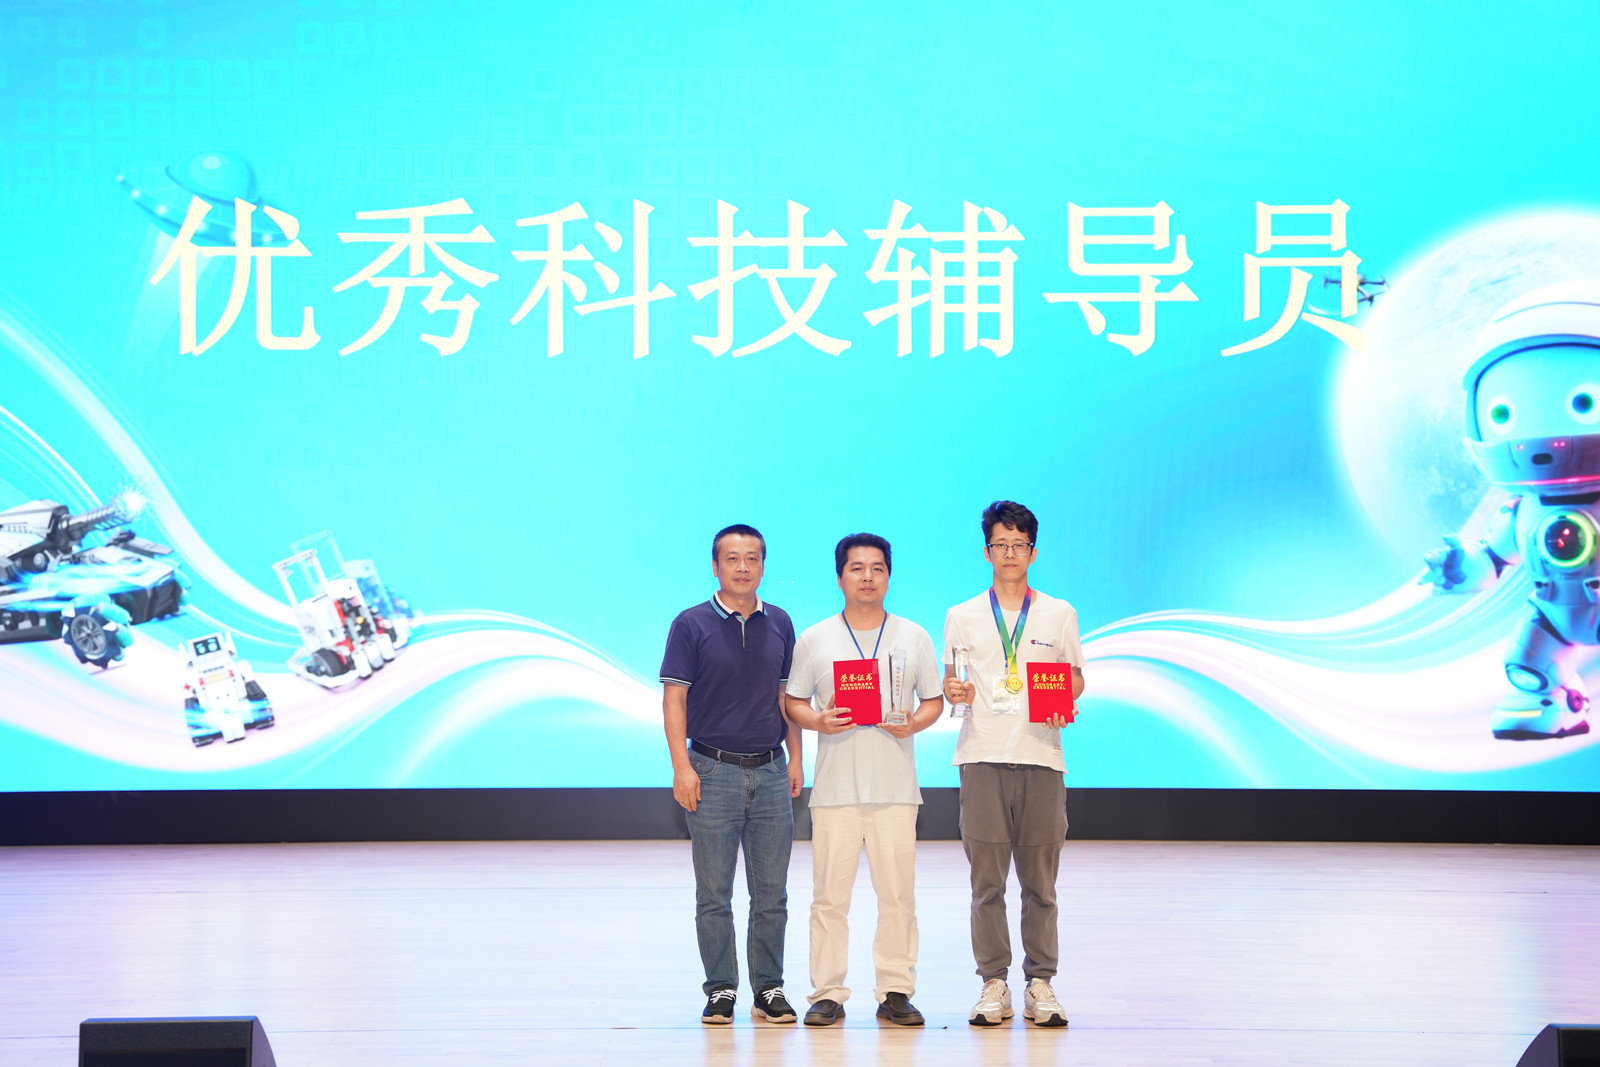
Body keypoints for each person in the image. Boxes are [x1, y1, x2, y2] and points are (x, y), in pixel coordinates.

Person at [784, 534, 944, 1028]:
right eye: (857, 568)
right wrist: (818, 720)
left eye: (877, 568)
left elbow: (933, 701)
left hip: (895, 790)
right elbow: (793, 702)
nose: (868, 576)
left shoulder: (913, 636)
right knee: (829, 899)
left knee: (898, 897)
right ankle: (827, 993)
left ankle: (896, 990)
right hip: (835, 791)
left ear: (888, 576)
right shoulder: (815, 638)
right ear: (840, 577)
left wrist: (913, 724)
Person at [941, 500, 1084, 1028]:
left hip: (1041, 757)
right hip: (982, 757)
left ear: (1033, 552)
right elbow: (952, 681)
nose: (1009, 553)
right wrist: (952, 689)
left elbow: (1075, 677)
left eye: (1018, 544)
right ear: (987, 552)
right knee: (987, 885)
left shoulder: (1059, 613)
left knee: (1041, 885)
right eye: (1000, 544)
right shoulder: (961, 615)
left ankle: (1040, 983)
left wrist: (1064, 698)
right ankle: (993, 983)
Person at [660, 524, 804, 1025]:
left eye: (752, 558)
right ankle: (721, 988)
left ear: (763, 565)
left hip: (770, 771)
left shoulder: (780, 622)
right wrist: (681, 766)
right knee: (714, 895)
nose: (743, 567)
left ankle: (769, 988)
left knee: (772, 895)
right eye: (732, 558)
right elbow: (674, 700)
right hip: (711, 770)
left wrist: (796, 758)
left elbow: (786, 698)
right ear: (715, 566)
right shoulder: (690, 623)